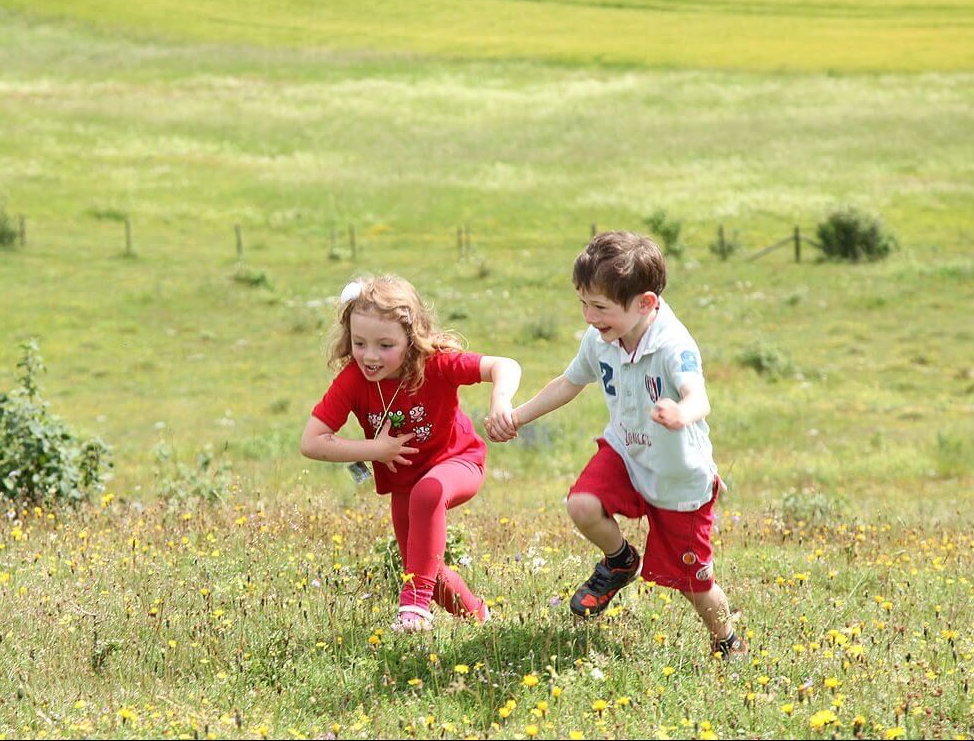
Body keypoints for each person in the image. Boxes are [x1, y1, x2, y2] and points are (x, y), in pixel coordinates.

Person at [486, 232, 746, 659]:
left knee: (694, 586)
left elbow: (698, 396)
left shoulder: (673, 344)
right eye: (583, 304)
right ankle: (620, 561)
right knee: (582, 505)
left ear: (644, 303)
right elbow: (568, 383)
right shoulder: (600, 339)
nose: (589, 317)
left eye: (600, 307)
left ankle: (727, 643)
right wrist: (517, 416)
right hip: (626, 452)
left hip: (677, 478)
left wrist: (682, 413)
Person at [301, 274, 521, 632]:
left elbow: (505, 365)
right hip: (404, 482)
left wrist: (500, 401)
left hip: (458, 461)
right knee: (422, 563)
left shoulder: (436, 363)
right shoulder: (354, 380)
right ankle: (482, 619)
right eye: (360, 343)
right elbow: (312, 441)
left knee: (429, 493)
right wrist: (376, 449)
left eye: (385, 345)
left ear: (411, 336)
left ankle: (413, 607)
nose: (370, 356)